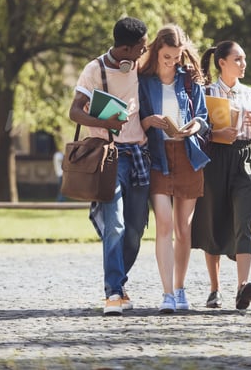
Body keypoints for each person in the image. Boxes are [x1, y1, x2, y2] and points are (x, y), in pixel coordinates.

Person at [69, 16, 150, 316]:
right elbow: (75, 112)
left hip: (139, 155)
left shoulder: (142, 65)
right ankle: (113, 291)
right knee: (114, 224)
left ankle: (119, 280)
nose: (144, 52)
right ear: (126, 49)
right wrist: (105, 122)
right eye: (140, 48)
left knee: (134, 231)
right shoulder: (95, 69)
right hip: (109, 156)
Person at [138, 24, 209, 314]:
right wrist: (148, 122)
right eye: (167, 57)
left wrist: (195, 126)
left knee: (183, 227)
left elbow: (204, 118)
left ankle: (180, 289)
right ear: (156, 51)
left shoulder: (189, 80)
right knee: (164, 224)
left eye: (177, 57)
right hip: (157, 157)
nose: (172, 62)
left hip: (188, 154)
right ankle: (167, 294)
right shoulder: (143, 81)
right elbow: (133, 120)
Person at [191, 40, 251, 312]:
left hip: (245, 157)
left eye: (244, 59)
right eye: (238, 59)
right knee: (213, 219)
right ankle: (214, 289)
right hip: (215, 159)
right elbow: (199, 130)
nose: (243, 64)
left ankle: (243, 287)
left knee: (243, 223)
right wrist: (218, 134)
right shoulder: (206, 92)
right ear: (222, 62)